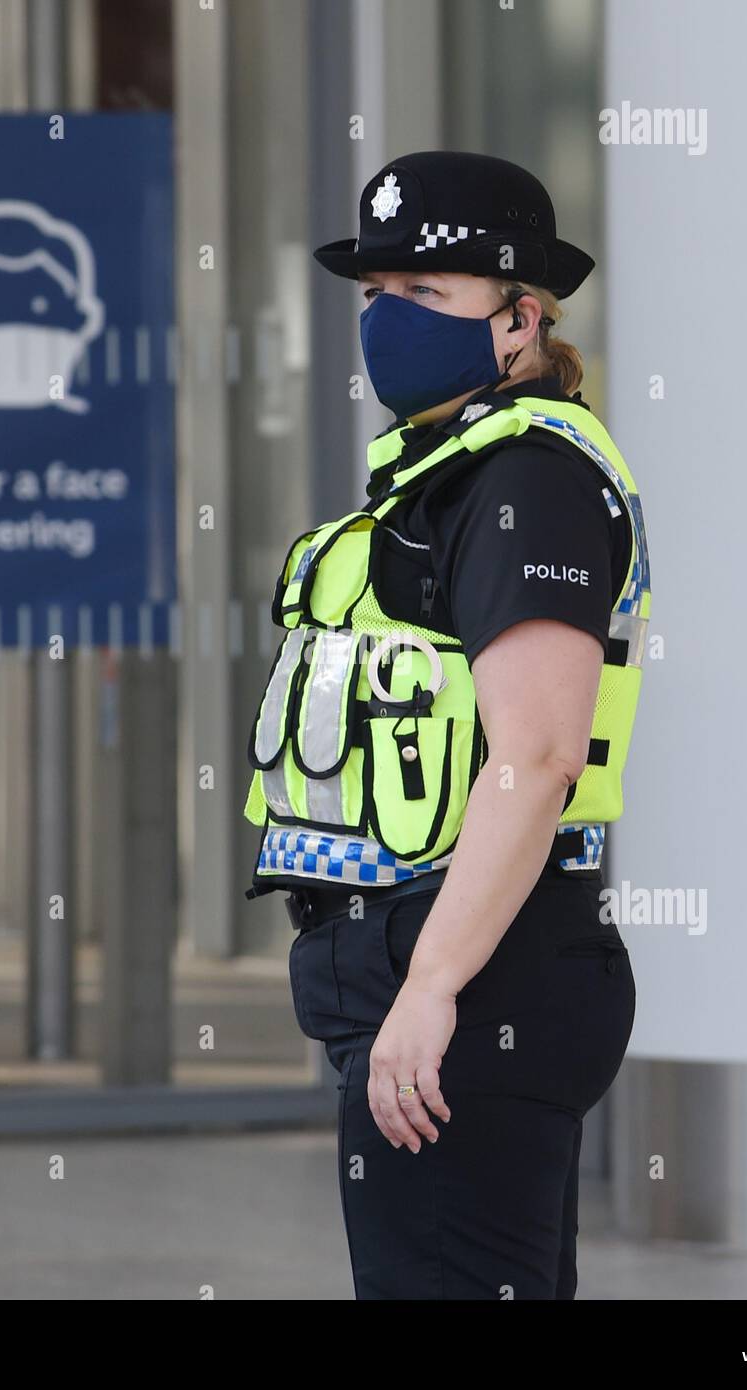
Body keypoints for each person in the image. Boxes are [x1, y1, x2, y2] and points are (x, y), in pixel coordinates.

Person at [242, 150, 651, 1300]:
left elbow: (535, 756)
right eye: (376, 293)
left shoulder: (528, 481)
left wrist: (428, 987)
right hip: (434, 956)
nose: (387, 318)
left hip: (476, 967)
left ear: (520, 321)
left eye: (426, 294)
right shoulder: (446, 474)